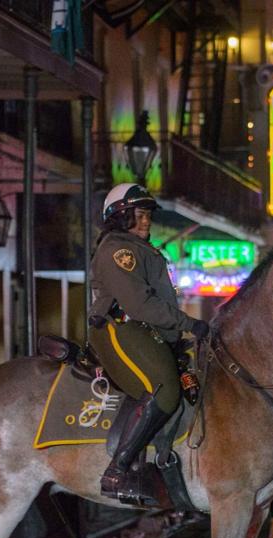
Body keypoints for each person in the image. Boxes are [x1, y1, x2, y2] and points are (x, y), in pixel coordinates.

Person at [87, 183, 209, 505]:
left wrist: (177, 341)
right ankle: (117, 471)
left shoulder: (140, 248)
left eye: (147, 216)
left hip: (147, 331)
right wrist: (188, 324)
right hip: (121, 328)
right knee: (164, 389)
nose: (146, 222)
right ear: (120, 217)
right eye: (138, 215)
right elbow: (140, 304)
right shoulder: (119, 250)